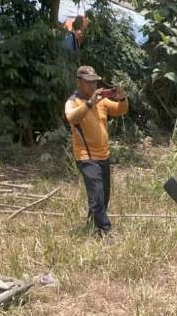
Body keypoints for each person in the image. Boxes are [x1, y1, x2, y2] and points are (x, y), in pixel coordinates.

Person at [65, 65, 127, 235]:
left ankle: (93, 225)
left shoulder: (101, 100)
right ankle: (105, 230)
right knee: (97, 196)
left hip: (104, 156)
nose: (93, 86)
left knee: (103, 196)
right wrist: (91, 102)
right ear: (79, 82)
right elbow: (71, 117)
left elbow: (120, 110)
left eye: (95, 82)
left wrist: (122, 98)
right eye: (88, 82)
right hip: (86, 157)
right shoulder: (73, 101)